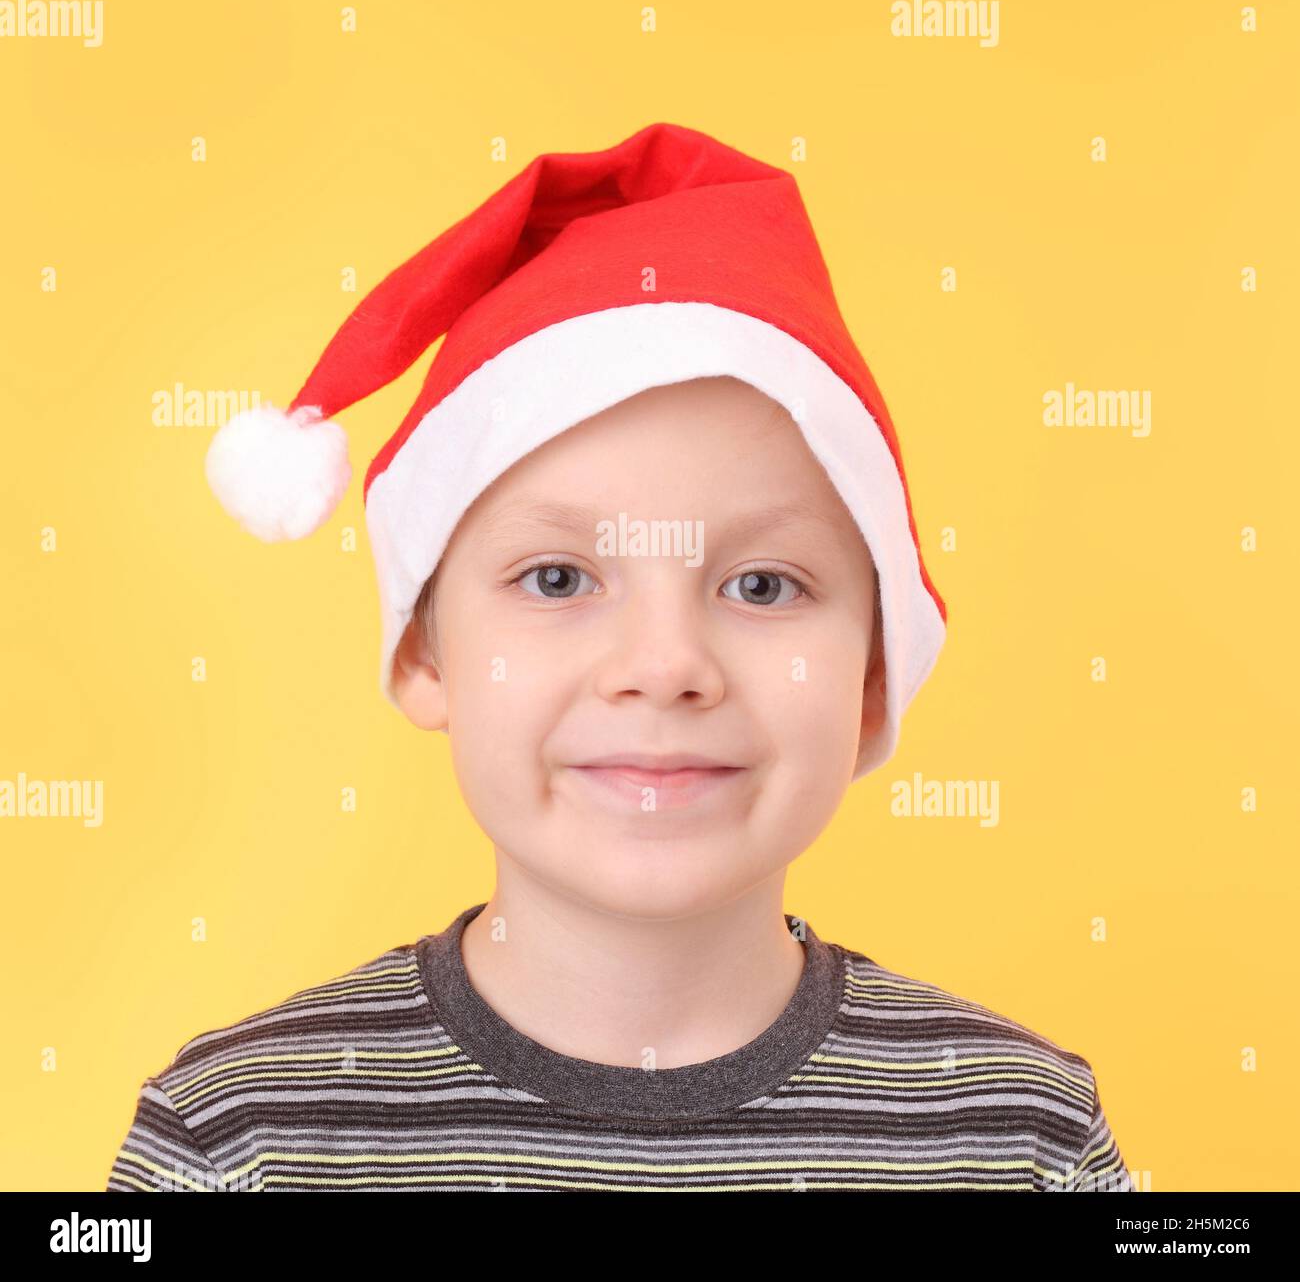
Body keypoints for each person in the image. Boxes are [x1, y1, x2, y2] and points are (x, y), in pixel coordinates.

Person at [107, 122, 1132, 1192]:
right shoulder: (237, 1140)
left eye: (762, 585)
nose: (663, 665)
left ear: (875, 676)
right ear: (422, 651)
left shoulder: (1019, 1134)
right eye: (558, 579)